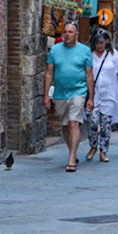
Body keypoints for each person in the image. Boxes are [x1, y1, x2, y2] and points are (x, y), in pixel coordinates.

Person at [43, 22, 95, 172]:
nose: (67, 35)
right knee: (65, 125)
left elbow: (89, 75)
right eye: (65, 32)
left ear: (76, 34)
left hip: (79, 91)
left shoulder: (85, 51)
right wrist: (46, 95)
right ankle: (72, 149)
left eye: (70, 32)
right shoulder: (54, 50)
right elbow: (49, 73)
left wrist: (91, 97)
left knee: (73, 123)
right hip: (60, 93)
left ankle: (71, 158)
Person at [86, 29, 118, 163]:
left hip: (110, 94)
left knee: (106, 124)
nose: (99, 45)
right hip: (93, 94)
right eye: (97, 43)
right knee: (92, 122)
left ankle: (103, 150)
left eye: (102, 42)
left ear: (106, 42)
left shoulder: (112, 54)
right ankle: (93, 145)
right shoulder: (89, 55)